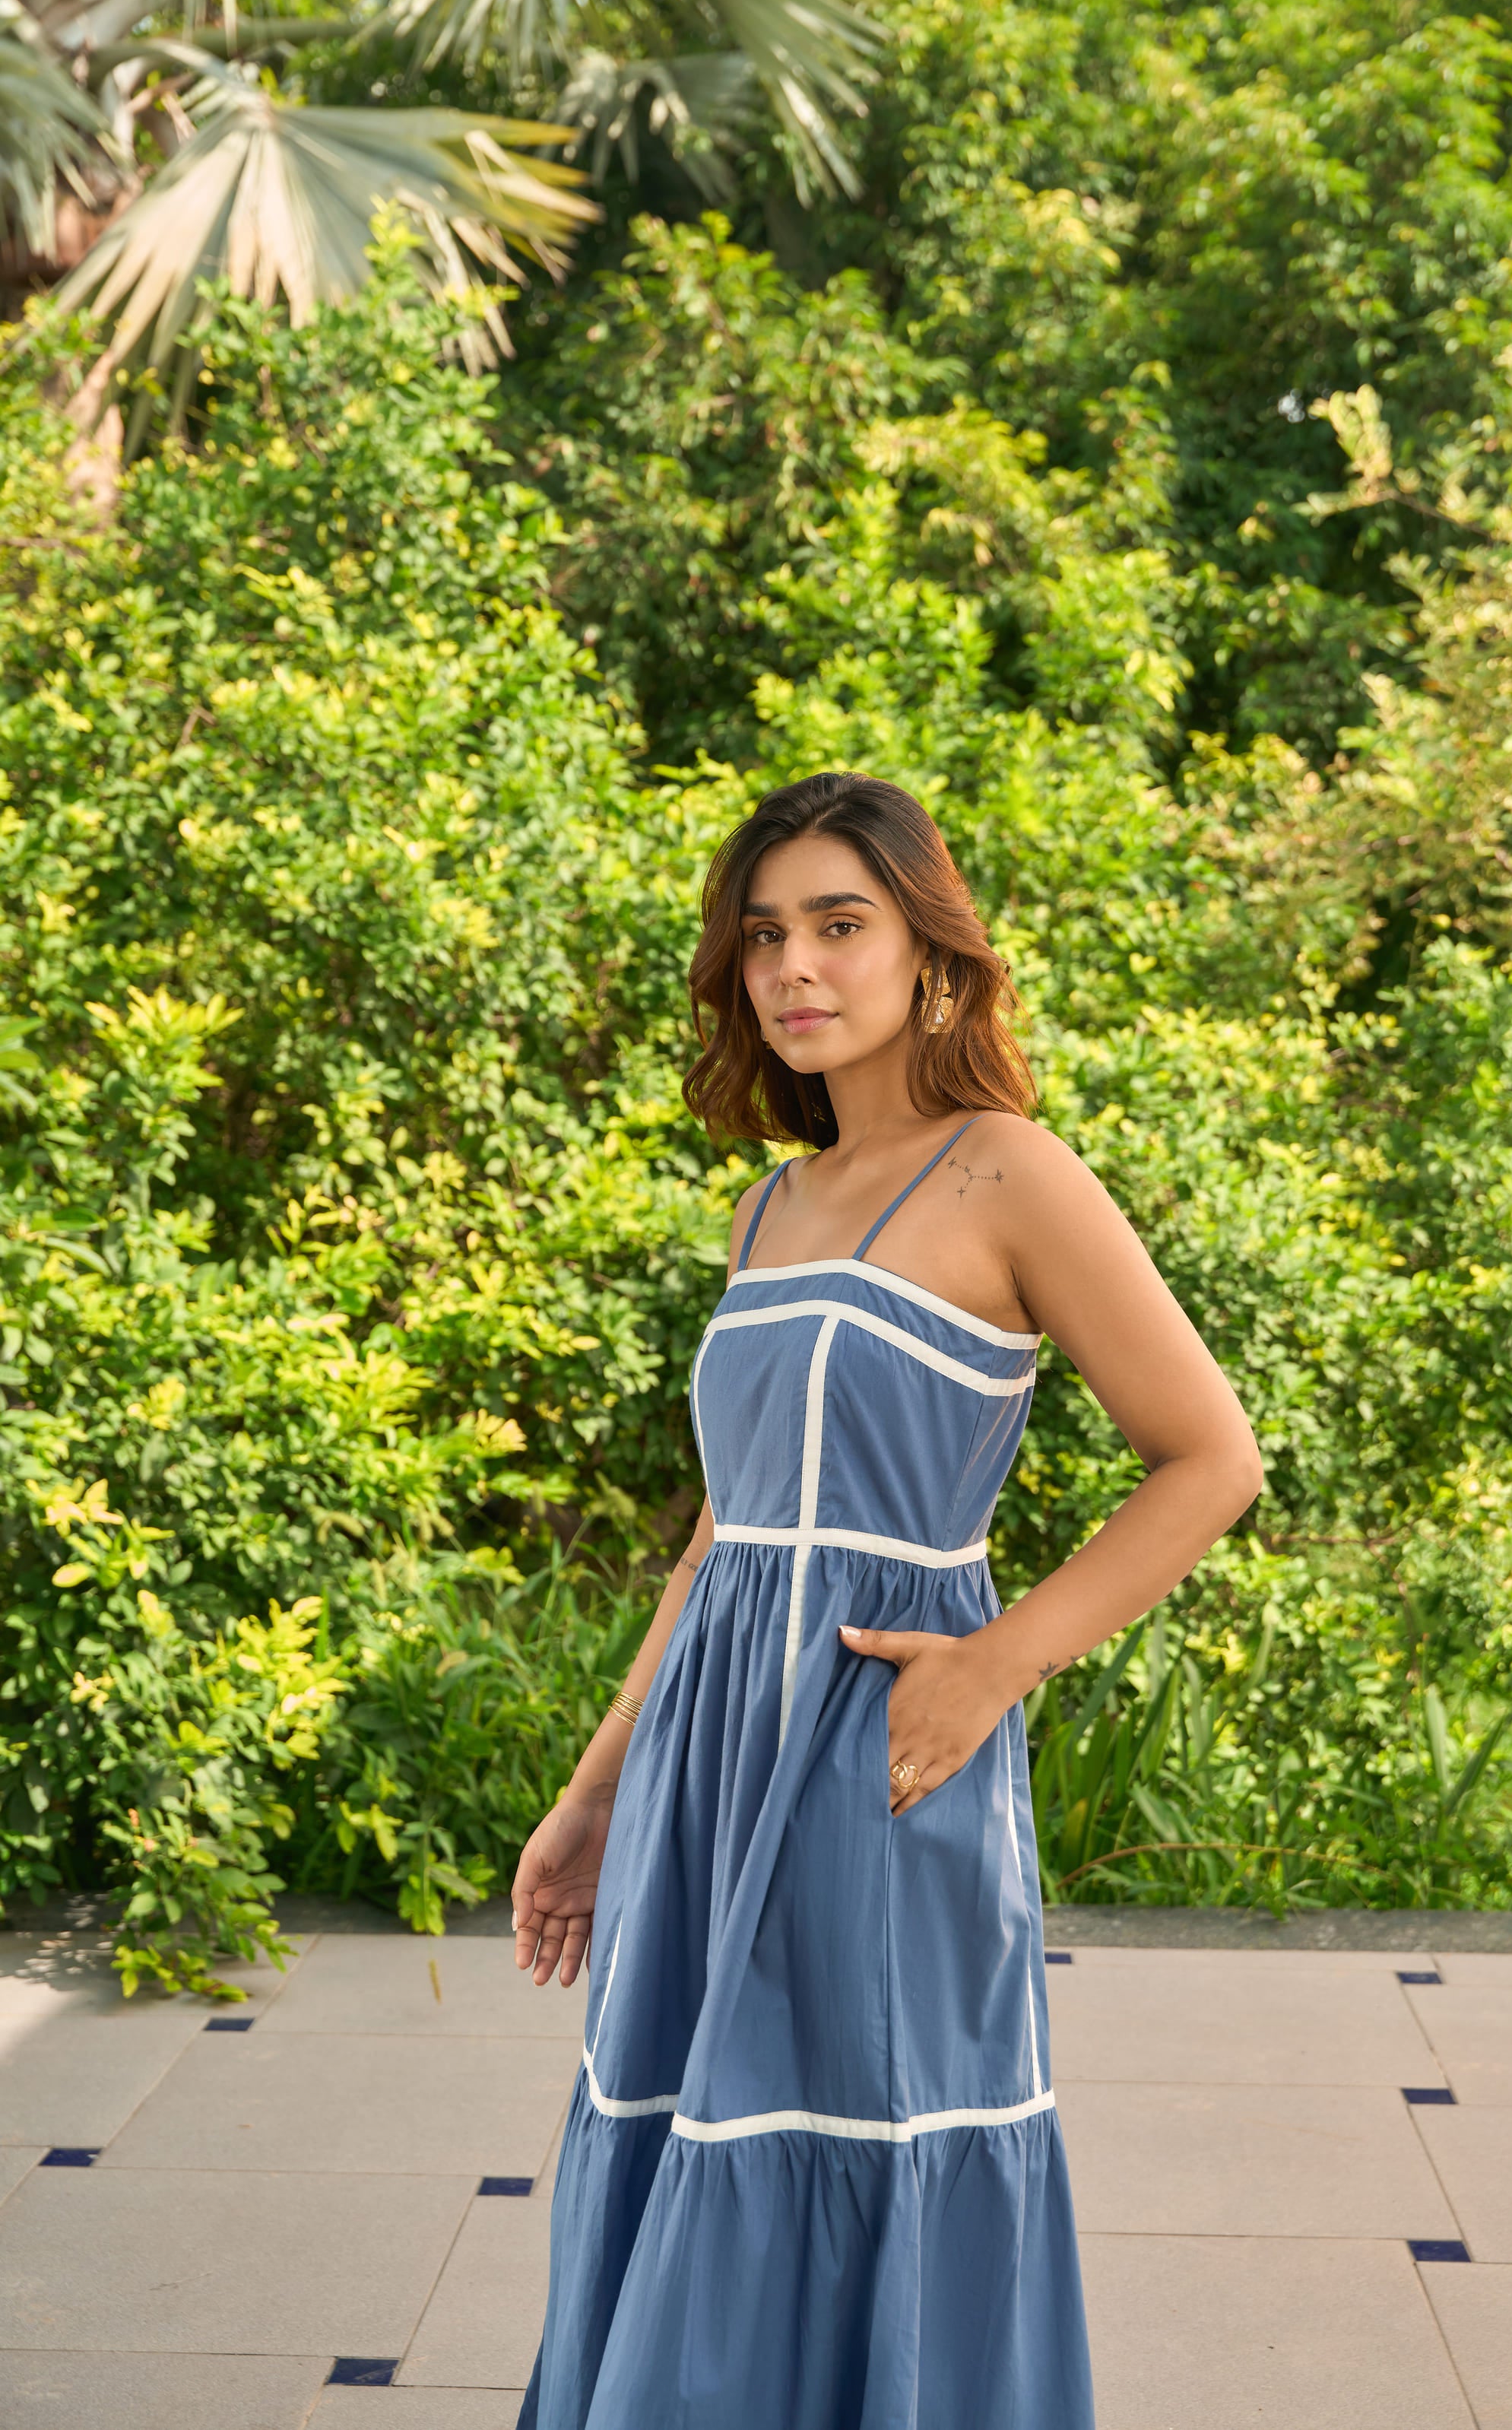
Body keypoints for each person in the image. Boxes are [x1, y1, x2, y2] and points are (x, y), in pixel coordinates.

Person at [511, 769, 1263, 2430]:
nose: (794, 964)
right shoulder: (768, 1205)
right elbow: (726, 1532)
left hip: (877, 1746)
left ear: (930, 949)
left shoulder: (1010, 1174)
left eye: (839, 923)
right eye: (762, 933)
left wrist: (992, 1666)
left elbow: (1210, 1458)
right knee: (691, 2120)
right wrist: (598, 1785)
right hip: (712, 1753)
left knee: (868, 2122)